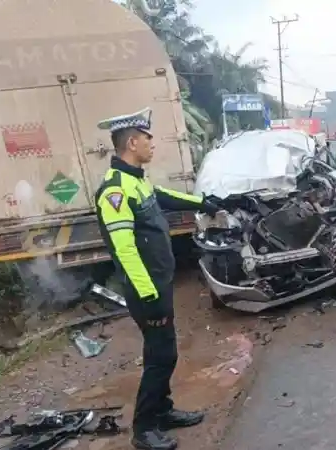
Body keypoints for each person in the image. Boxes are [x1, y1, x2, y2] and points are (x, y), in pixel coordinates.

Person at [94, 107, 221, 450]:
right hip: (146, 289)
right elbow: (124, 250)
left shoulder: (136, 180)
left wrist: (203, 203)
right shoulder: (115, 191)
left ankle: (163, 410)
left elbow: (163, 198)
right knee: (161, 357)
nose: (153, 145)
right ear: (132, 142)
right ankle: (144, 428)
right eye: (148, 139)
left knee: (164, 351)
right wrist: (149, 293)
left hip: (157, 283)